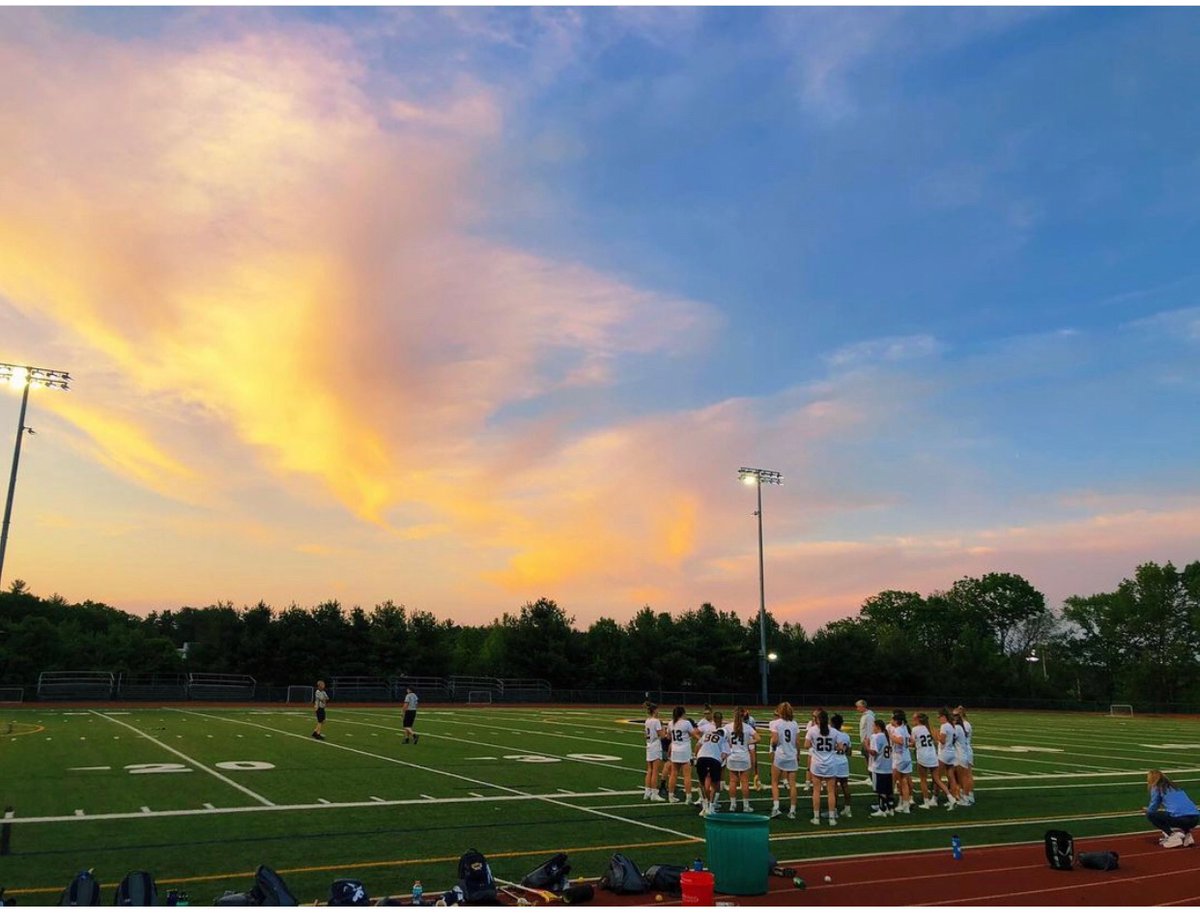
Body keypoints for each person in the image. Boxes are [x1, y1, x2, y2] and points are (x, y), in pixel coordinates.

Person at [803, 708, 839, 827]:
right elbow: (839, 747)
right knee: (831, 792)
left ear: (818, 720)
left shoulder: (812, 730)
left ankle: (816, 817)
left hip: (817, 763)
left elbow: (806, 745)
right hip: (831, 763)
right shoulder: (834, 731)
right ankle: (832, 818)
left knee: (816, 791)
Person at [1145, 771, 1198, 848]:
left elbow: (1154, 805)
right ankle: (1188, 836)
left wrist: (1148, 810)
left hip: (1181, 819)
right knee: (1180, 813)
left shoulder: (1157, 787)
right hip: (1195, 819)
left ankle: (1172, 836)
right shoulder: (1175, 786)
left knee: (1150, 815)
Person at [723, 709, 759, 812]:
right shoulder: (747, 727)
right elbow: (758, 738)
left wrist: (729, 745)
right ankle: (746, 806)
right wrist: (748, 742)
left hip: (732, 756)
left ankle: (732, 805)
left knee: (732, 781)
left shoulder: (728, 727)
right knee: (745, 782)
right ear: (744, 716)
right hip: (744, 757)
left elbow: (722, 739)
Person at [769, 702, 800, 819]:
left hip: (780, 755)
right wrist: (798, 754)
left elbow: (775, 740)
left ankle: (776, 807)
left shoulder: (775, 723)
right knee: (792, 785)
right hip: (792, 755)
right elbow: (797, 742)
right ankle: (792, 810)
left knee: (775, 782)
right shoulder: (794, 724)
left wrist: (772, 748)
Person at [912, 712, 947, 809]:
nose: (912, 720)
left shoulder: (915, 729)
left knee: (923, 780)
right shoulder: (931, 728)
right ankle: (950, 797)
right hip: (932, 755)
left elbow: (912, 742)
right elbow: (937, 741)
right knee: (937, 779)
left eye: (914, 719)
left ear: (919, 720)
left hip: (923, 756)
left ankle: (926, 802)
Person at [695, 710, 727, 816]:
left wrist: (695, 757)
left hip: (701, 757)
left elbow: (697, 746)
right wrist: (721, 761)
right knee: (715, 784)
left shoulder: (706, 734)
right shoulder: (723, 737)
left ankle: (705, 806)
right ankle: (711, 807)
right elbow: (725, 753)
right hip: (714, 759)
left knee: (702, 782)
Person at [666, 705, 700, 804]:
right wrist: (702, 740)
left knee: (673, 774)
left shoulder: (671, 723)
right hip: (684, 751)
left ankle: (671, 796)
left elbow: (668, 737)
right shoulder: (686, 723)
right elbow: (694, 734)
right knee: (687, 775)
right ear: (683, 713)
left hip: (675, 750)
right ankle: (688, 797)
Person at [867, 718, 895, 817]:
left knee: (880, 790)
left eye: (873, 726)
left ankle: (882, 809)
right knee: (888, 790)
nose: (872, 728)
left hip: (879, 767)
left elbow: (873, 752)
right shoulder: (887, 736)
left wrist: (866, 746)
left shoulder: (876, 737)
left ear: (878, 727)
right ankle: (890, 808)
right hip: (889, 766)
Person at [889, 710, 914, 814]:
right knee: (904, 782)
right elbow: (911, 740)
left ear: (896, 720)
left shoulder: (898, 729)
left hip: (899, 758)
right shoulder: (904, 728)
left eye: (892, 719)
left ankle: (887, 804)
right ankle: (905, 806)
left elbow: (900, 741)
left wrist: (891, 736)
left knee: (892, 781)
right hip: (906, 756)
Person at [936, 707, 961, 809]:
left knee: (936, 777)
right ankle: (954, 797)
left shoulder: (944, 726)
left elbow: (942, 740)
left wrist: (936, 735)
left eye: (939, 717)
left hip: (944, 753)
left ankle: (949, 797)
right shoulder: (951, 726)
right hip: (951, 753)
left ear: (943, 716)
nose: (939, 719)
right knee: (951, 777)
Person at [830, 713, 852, 818]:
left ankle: (833, 810)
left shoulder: (832, 734)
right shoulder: (846, 735)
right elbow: (849, 752)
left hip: (834, 761)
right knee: (845, 785)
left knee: (833, 786)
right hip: (843, 761)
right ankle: (848, 809)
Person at [643, 702, 666, 802]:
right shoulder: (656, 721)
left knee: (650, 770)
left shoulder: (647, 721)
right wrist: (664, 729)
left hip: (648, 745)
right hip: (655, 746)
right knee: (655, 771)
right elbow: (662, 735)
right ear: (655, 711)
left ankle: (647, 792)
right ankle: (654, 793)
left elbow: (645, 735)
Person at [952, 707, 975, 806]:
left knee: (966, 775)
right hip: (965, 750)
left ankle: (968, 795)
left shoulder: (964, 724)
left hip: (965, 750)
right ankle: (967, 795)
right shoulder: (964, 724)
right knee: (964, 775)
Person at [856, 700, 876, 786]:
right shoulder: (865, 716)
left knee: (870, 761)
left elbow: (870, 731)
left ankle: (873, 779)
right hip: (865, 741)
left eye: (858, 706)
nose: (857, 709)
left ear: (863, 706)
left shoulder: (869, 716)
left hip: (868, 742)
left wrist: (866, 743)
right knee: (868, 761)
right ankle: (871, 776)